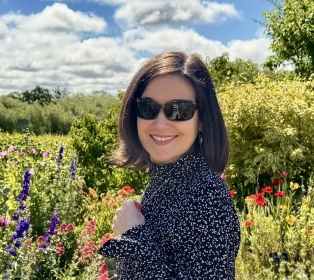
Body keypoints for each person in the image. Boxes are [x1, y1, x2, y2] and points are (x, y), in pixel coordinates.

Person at [97, 51, 240, 279]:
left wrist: (134, 235)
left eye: (179, 110)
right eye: (147, 108)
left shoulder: (207, 195)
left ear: (201, 120)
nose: (161, 123)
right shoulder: (163, 184)